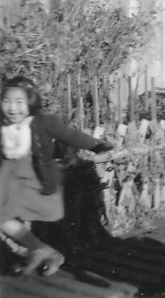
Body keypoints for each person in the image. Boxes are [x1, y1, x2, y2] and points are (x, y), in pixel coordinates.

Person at [0, 76, 113, 276]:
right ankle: (36, 252)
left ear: (31, 102)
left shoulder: (41, 123)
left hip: (35, 181)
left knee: (15, 220)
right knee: (4, 219)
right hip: (9, 181)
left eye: (19, 102)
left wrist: (96, 145)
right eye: (7, 101)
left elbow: (69, 135)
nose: (12, 108)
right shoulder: (2, 125)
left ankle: (36, 252)